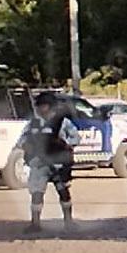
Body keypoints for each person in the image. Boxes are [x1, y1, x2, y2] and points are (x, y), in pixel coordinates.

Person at [20, 92, 80, 233]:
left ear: (52, 107)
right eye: (40, 106)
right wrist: (25, 146)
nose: (42, 109)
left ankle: (68, 222)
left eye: (44, 105)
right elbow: (22, 139)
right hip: (39, 162)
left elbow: (76, 138)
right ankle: (35, 223)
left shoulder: (63, 122)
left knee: (63, 191)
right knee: (37, 192)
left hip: (59, 163)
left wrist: (64, 143)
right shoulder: (33, 123)